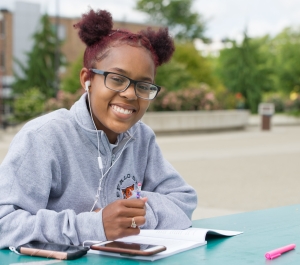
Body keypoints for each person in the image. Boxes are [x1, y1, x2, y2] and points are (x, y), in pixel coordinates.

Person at [0, 9, 197, 249]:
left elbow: (184, 201)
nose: (129, 94)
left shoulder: (141, 138)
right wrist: (93, 225)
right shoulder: (44, 138)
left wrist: (134, 217)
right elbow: (4, 224)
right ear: (87, 80)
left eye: (143, 85)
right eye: (116, 78)